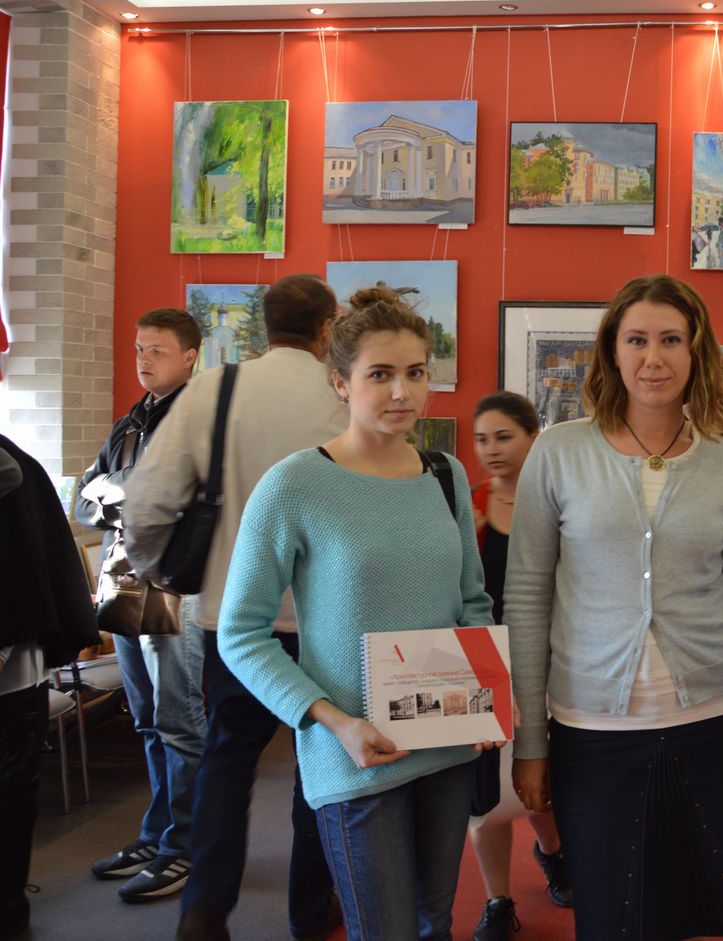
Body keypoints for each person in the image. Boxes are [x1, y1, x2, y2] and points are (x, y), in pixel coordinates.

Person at [216, 285, 498, 939]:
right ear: (341, 382)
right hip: (355, 753)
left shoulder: (446, 475)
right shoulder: (294, 484)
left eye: (416, 373)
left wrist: (486, 694)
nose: (403, 391)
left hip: (446, 743)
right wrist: (331, 720)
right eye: (380, 374)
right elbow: (241, 633)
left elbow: (472, 601)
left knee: (434, 924)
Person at [506, 274, 723, 941]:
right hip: (593, 728)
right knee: (614, 914)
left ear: (696, 351)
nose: (653, 358)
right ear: (612, 350)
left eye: (671, 340)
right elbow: (527, 596)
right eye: (636, 340)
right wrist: (530, 741)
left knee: (702, 911)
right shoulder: (558, 452)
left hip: (717, 719)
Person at [123, 274, 345, 941]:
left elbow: (146, 502)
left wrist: (160, 571)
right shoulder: (342, 393)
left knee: (226, 758)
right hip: (328, 619)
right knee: (320, 766)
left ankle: (205, 910)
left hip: (234, 620)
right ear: (327, 328)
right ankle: (311, 911)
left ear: (263, 325)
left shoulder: (215, 391)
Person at [76, 307, 208, 903]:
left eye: (157, 350)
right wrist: (130, 495)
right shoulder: (130, 423)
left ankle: (188, 846)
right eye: (138, 348)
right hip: (123, 581)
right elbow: (83, 502)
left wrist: (120, 494)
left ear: (189, 357)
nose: (143, 359)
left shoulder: (199, 420)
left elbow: (184, 502)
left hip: (174, 586)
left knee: (180, 721)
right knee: (147, 718)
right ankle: (158, 835)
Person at [467, 391, 571, 941]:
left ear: (534, 437)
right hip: (484, 665)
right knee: (485, 797)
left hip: (551, 661)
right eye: (481, 439)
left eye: (503, 437)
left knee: (539, 776)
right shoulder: (467, 505)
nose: (491, 449)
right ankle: (498, 900)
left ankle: (553, 853)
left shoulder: (558, 498)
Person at [1, 435, 99, 938]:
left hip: (13, 669)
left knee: (11, 794)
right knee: (13, 794)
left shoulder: (12, 466)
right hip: (20, 668)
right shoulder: (18, 460)